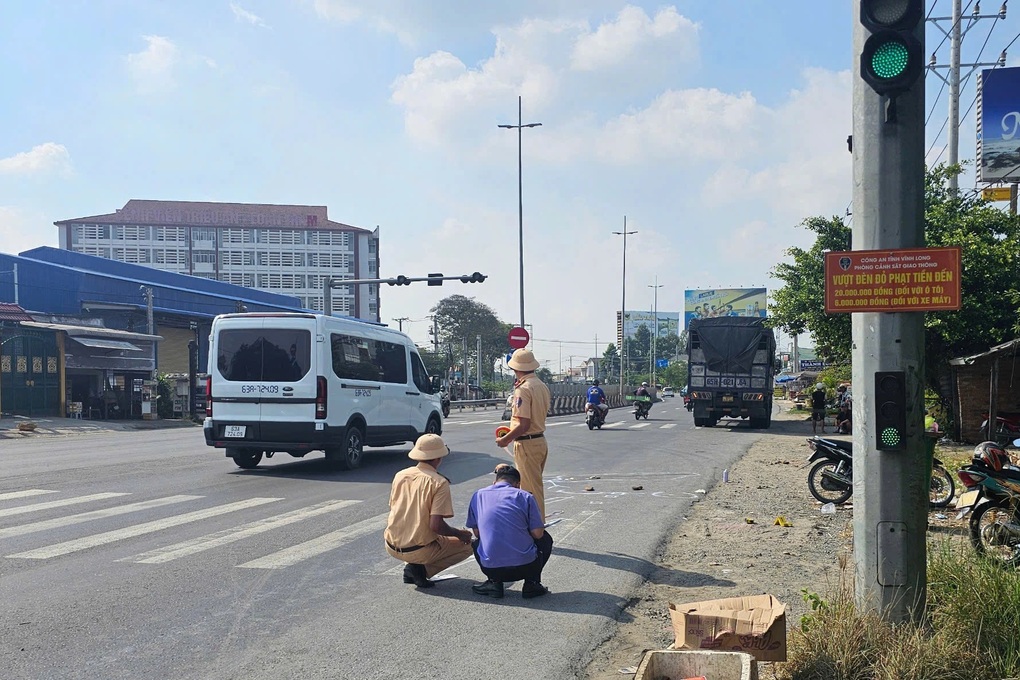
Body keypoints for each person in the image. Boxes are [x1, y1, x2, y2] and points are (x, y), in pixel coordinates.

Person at [383, 433, 473, 589]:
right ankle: (419, 569)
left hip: (390, 545)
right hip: (419, 551)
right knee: (469, 545)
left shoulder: (401, 475)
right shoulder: (438, 482)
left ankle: (413, 566)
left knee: (421, 530)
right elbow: (436, 526)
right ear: (439, 458)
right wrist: (460, 534)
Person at [466, 464, 552, 599]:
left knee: (478, 542)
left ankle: (494, 583)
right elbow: (537, 534)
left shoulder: (478, 495)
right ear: (517, 484)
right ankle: (532, 583)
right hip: (525, 566)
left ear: (494, 482)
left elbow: (477, 533)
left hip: (491, 567)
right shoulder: (525, 496)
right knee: (545, 538)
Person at [496, 348, 551, 521]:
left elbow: (524, 424)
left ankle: (537, 531)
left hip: (527, 443)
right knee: (534, 487)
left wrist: (505, 439)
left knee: (529, 491)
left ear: (515, 368)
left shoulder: (523, 389)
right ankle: (536, 528)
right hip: (539, 441)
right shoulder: (541, 386)